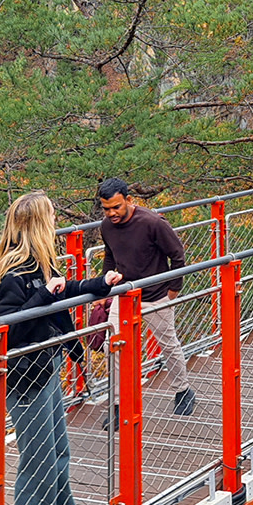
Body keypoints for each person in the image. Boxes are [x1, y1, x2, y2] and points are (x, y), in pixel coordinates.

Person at [0, 191, 122, 505]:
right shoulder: (13, 277)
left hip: (45, 370)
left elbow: (62, 292)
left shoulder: (41, 266)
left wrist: (99, 283)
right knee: (37, 461)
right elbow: (7, 331)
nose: (55, 225)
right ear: (37, 227)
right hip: (25, 380)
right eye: (50, 218)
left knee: (57, 455)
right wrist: (45, 295)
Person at [97, 177, 195, 416]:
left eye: (116, 207)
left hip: (155, 295)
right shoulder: (106, 226)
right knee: (115, 346)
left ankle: (183, 391)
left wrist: (172, 291)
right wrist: (104, 286)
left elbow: (178, 255)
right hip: (124, 294)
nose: (112, 213)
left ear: (129, 200)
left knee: (168, 344)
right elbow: (110, 255)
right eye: (106, 208)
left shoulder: (152, 223)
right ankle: (120, 404)